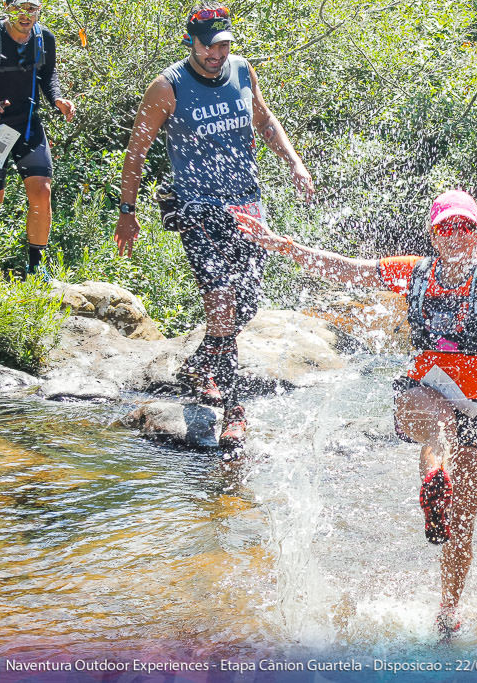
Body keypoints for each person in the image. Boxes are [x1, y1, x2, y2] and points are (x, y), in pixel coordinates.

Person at [234, 189, 477, 640]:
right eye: (447, 227)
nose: (457, 235)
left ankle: (447, 610)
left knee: (462, 523)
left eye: (466, 226)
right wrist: (282, 244)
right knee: (438, 427)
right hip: (424, 386)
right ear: (433, 234)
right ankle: (433, 481)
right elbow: (346, 269)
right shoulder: (412, 272)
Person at [114, 3, 314, 450]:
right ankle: (234, 408)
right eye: (209, 46)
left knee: (245, 304)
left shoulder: (242, 71)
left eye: (223, 46)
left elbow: (263, 119)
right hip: (196, 206)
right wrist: (128, 212)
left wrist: (295, 164)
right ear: (191, 42)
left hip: (247, 205)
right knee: (222, 299)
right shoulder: (167, 87)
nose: (217, 55)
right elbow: (136, 153)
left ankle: (202, 362)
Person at [0, 0, 75, 276]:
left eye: (33, 8)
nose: (26, 15)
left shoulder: (44, 39)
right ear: (7, 7)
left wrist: (57, 99)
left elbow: (48, 74)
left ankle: (35, 269)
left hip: (28, 126)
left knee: (42, 191)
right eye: (20, 7)